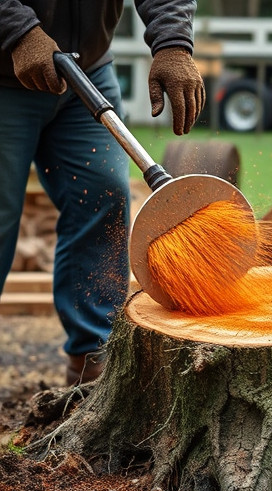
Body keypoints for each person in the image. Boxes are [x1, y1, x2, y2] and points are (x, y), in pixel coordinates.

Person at [0, 0, 205, 385]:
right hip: (5, 70)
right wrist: (17, 29)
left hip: (87, 70)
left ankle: (91, 356)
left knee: (103, 195)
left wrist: (174, 42)